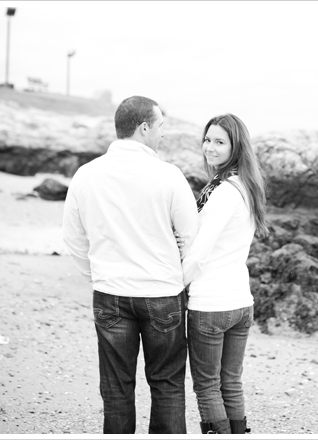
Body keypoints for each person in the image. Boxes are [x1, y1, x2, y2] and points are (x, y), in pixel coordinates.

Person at [63, 95, 199, 434]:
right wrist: (178, 280)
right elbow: (193, 236)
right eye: (161, 126)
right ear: (143, 128)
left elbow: (73, 239)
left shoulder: (86, 175)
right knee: (167, 385)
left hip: (110, 293)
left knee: (116, 389)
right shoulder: (168, 175)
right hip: (162, 294)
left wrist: (98, 276)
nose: (163, 133)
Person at [180, 114, 267, 434]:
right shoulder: (245, 186)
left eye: (219, 142)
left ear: (236, 147)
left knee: (207, 387)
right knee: (230, 382)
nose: (210, 148)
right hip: (240, 302)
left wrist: (175, 284)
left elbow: (199, 253)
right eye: (207, 140)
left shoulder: (224, 191)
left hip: (211, 304)